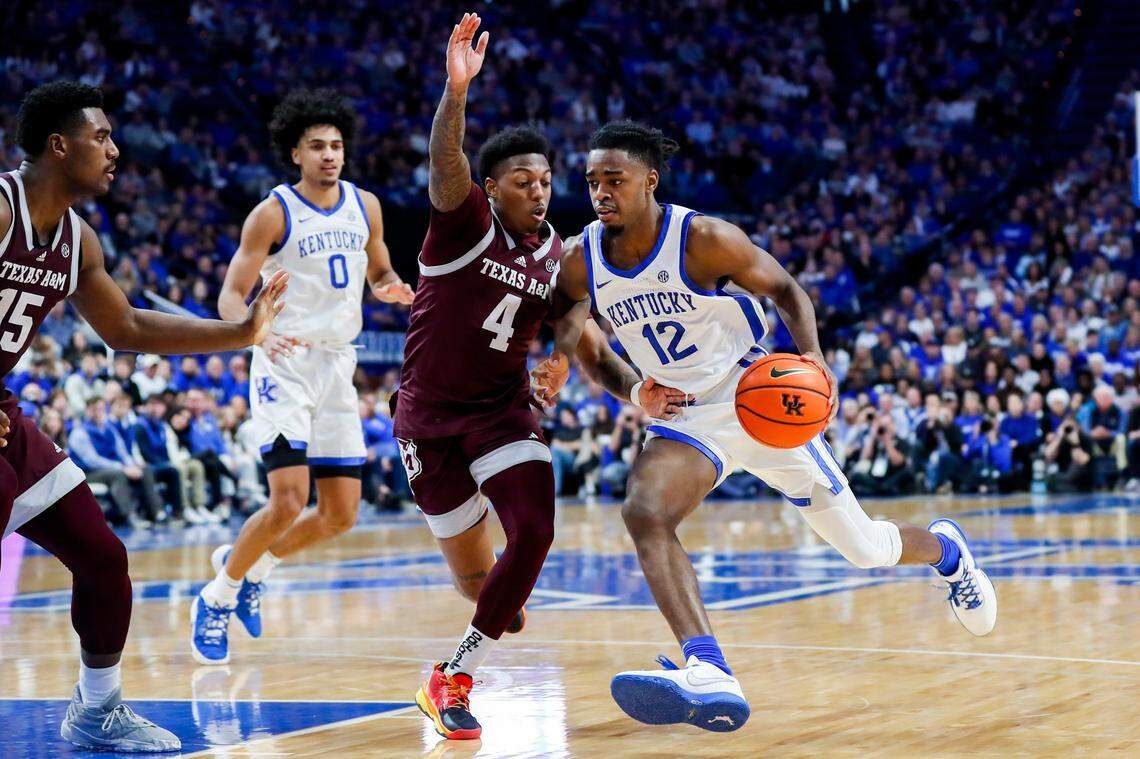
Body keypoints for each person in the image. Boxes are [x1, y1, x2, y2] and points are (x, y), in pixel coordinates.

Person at [533, 120, 998, 733]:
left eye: (614, 180)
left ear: (650, 180)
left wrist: (814, 359)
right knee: (644, 512)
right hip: (686, 415)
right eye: (592, 181)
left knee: (866, 549)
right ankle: (708, 668)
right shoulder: (581, 258)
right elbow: (575, 325)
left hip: (754, 396)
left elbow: (786, 290)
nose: (600, 192)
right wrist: (626, 385)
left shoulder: (703, 238)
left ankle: (948, 553)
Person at [395, 14, 686, 741]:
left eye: (547, 182)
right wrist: (456, 91)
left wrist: (618, 382)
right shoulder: (464, 223)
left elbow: (579, 318)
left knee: (534, 532)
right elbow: (445, 158)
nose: (539, 191)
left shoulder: (559, 250)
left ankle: (452, 676)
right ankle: (492, 598)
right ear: (491, 188)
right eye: (522, 182)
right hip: (428, 420)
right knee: (482, 585)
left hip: (502, 412)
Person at [0, 80, 287, 753]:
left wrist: (241, 333)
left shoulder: (77, 241)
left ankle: (97, 709)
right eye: (101, 136)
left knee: (102, 556)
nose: (115, 150)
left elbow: (125, 326)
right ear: (58, 145)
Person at [190, 88, 415, 665]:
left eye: (336, 145)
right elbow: (230, 296)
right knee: (288, 499)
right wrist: (253, 331)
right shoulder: (272, 213)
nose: (329, 154)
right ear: (295, 153)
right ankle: (217, 598)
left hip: (338, 364)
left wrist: (389, 287)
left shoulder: (365, 205)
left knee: (340, 514)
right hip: (284, 362)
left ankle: (251, 564)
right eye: (316, 146)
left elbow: (380, 270)